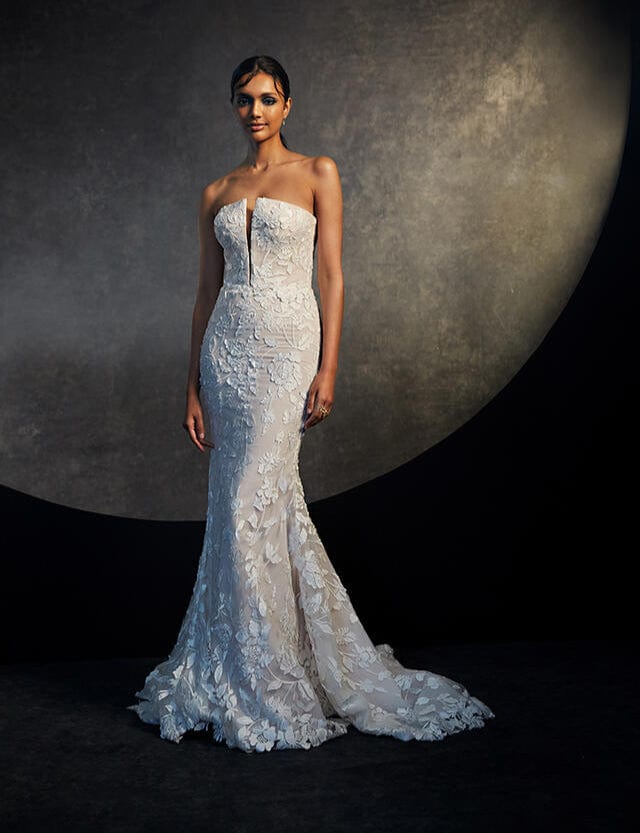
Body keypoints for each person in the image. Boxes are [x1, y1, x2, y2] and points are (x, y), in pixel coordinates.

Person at [127, 55, 495, 753]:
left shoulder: (318, 171)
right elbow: (205, 294)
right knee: (239, 506)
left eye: (267, 98)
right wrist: (192, 384)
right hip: (227, 352)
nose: (255, 111)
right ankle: (243, 664)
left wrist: (328, 366)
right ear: (233, 106)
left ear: (287, 105)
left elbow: (332, 276)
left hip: (288, 347)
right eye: (244, 99)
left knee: (251, 500)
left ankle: (269, 677)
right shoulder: (216, 191)